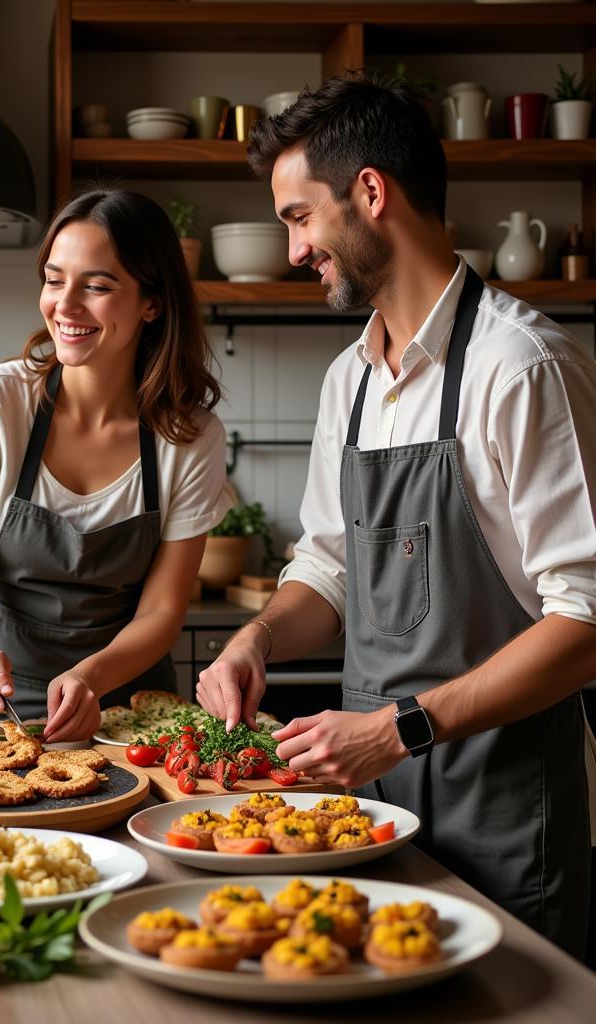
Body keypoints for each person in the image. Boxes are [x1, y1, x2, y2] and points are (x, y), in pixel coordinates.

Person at [196, 76, 596, 957]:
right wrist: (254, 641)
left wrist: (400, 727)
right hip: (367, 810)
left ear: (371, 193)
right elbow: (331, 569)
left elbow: (587, 620)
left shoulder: (520, 367)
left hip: (503, 810)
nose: (295, 249)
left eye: (300, 217)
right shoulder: (350, 380)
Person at [0, 189, 230, 741]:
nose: (65, 306)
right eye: (54, 278)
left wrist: (90, 678)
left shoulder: (190, 438)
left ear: (152, 303)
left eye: (96, 286)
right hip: (3, 712)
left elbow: (162, 613)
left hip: (133, 718)